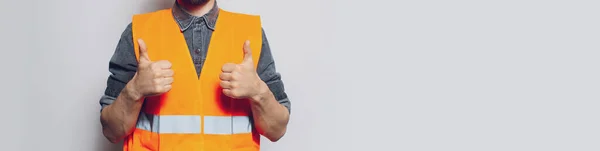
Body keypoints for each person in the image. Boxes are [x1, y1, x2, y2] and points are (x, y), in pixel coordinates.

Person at [98, 0, 291, 150]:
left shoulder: (250, 33)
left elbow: (277, 129)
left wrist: (258, 92)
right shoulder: (139, 31)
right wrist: (134, 90)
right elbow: (111, 131)